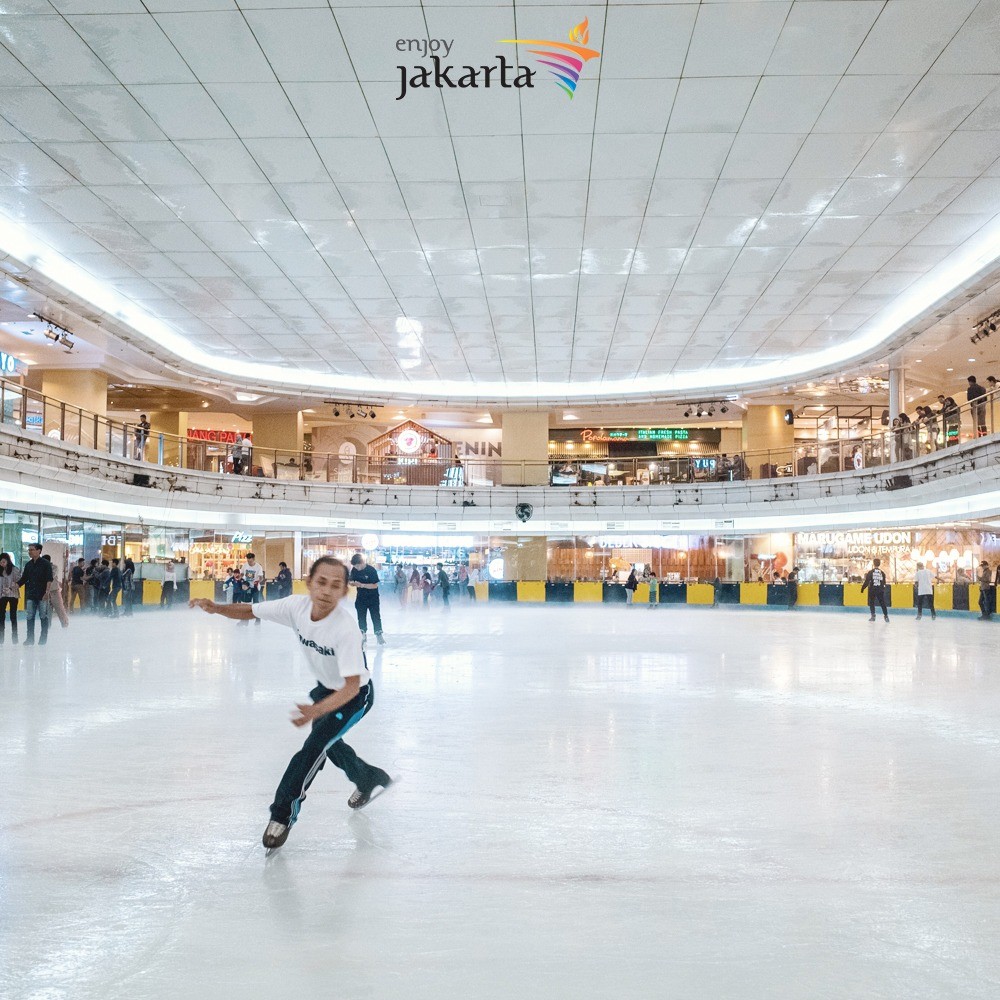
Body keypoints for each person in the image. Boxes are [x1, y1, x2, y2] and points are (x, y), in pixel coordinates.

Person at [189, 556, 392, 851]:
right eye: (321, 582)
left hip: (354, 698)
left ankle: (282, 815)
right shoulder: (295, 607)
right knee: (328, 742)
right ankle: (366, 776)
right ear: (309, 583)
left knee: (312, 749)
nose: (326, 591)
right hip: (326, 692)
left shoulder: (345, 629)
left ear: (344, 592)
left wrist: (317, 710)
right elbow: (250, 610)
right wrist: (217, 608)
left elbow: (351, 687)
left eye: (335, 585)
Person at [18, 543, 53, 646]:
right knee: (30, 616)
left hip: (42, 594)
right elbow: (24, 578)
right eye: (29, 550)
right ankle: (30, 639)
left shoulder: (46, 564)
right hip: (31, 594)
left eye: (32, 550)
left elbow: (49, 579)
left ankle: (43, 639)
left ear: (39, 551)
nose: (30, 552)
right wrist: (15, 585)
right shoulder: (28, 564)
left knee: (43, 616)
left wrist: (47, 592)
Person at [349, 553, 385, 645]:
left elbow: (374, 585)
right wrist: (352, 583)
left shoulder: (371, 570)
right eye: (354, 566)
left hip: (373, 598)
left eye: (357, 566)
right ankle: (363, 634)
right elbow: (351, 581)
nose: (356, 568)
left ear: (362, 563)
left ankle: (379, 634)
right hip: (361, 597)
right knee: (361, 616)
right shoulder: (354, 570)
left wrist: (362, 585)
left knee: (375, 616)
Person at [42, 553, 70, 628]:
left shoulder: (54, 567)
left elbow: (51, 576)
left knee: (60, 609)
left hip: (54, 591)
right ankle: (47, 627)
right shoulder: (41, 568)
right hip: (45, 592)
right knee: (47, 611)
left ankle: (65, 625)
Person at [861, 557, 889, 623]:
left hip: (872, 589)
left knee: (872, 602)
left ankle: (873, 616)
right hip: (880, 589)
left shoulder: (871, 572)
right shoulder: (882, 573)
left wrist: (863, 588)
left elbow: (867, 581)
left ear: (873, 564)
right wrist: (883, 589)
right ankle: (886, 616)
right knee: (882, 603)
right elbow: (884, 582)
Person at [0, 552, 19, 645]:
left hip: (13, 595)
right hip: (2, 596)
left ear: (8, 561)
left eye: (4, 562)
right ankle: (1, 638)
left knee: (13, 616)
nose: (2, 564)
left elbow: (19, 580)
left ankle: (15, 638)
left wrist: (10, 587)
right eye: (1, 562)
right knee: (1, 616)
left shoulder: (15, 569)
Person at [242, 553, 265, 625]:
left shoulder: (258, 567)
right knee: (247, 604)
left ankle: (258, 619)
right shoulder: (245, 565)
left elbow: (261, 577)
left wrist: (258, 581)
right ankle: (245, 620)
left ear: (254, 559)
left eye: (250, 561)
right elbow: (242, 574)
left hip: (255, 588)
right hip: (247, 587)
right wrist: (241, 578)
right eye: (248, 561)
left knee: (255, 603)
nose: (249, 563)